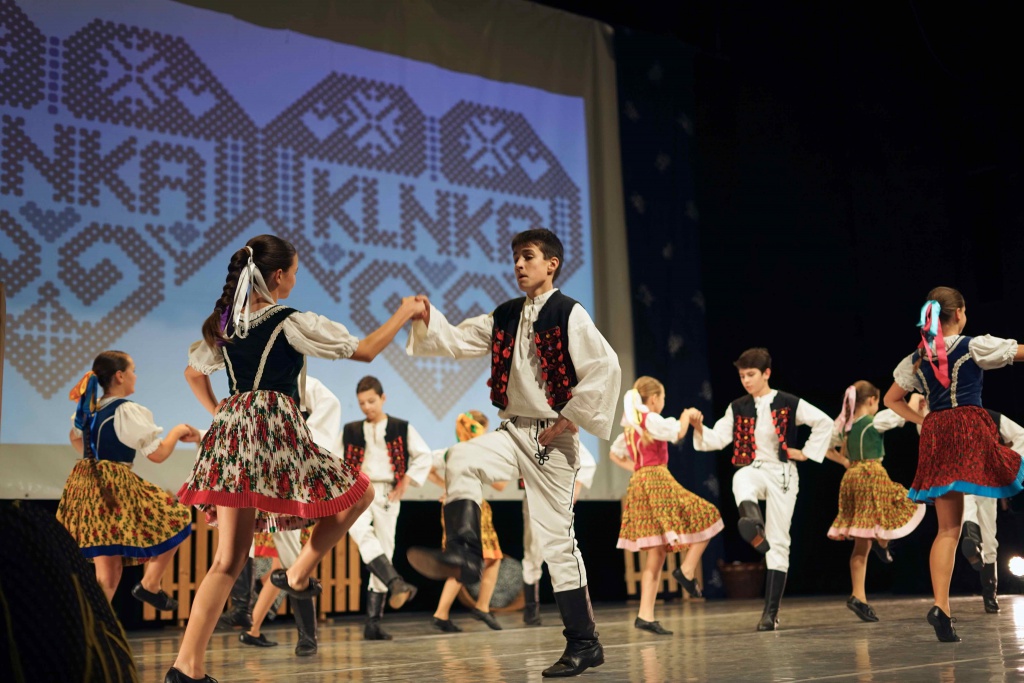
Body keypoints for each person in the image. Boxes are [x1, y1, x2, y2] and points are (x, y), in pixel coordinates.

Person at [167, 234, 424, 683]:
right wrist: (405, 312)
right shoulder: (288, 321)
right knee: (359, 494)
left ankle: (185, 668)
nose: (295, 280)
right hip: (273, 431)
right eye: (296, 273)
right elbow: (364, 350)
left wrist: (221, 411)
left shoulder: (227, 325)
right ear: (279, 275)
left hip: (234, 435)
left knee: (227, 559)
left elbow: (193, 372)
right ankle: (300, 572)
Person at [405, 228, 620, 678]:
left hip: (551, 438)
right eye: (515, 258)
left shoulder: (568, 312)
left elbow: (605, 367)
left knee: (556, 541)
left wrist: (569, 418)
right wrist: (428, 317)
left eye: (528, 256)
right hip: (512, 430)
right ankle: (464, 553)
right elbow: (457, 340)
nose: (519, 265)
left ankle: (585, 642)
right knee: (460, 458)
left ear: (551, 264)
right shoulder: (505, 314)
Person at [883, 286, 1024, 642]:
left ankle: (941, 608)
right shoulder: (972, 345)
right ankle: (996, 517)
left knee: (947, 529)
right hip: (967, 429)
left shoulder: (918, 356)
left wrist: (924, 420)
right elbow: (1016, 352)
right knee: (1005, 465)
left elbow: (891, 399)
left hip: (936, 434)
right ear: (959, 312)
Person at [688, 347, 833, 631]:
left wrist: (806, 452)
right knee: (741, 478)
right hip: (754, 468)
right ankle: (753, 525)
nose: (746, 380)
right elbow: (717, 438)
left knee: (779, 543)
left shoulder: (787, 402)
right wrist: (698, 427)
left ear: (766, 373)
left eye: (751, 374)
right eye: (742, 376)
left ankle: (770, 613)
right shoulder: (737, 406)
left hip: (782, 473)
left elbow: (823, 422)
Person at [57, 351, 200, 609]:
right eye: (133, 371)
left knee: (108, 571)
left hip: (86, 484)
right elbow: (157, 454)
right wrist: (177, 431)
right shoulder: (125, 410)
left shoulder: (92, 408)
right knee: (177, 517)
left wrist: (96, 457)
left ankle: (97, 623)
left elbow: (75, 437)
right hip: (110, 485)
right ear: (120, 376)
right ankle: (149, 585)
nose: (135, 376)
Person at [610, 377, 723, 636]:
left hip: (640, 484)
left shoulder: (630, 425)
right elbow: (678, 433)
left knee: (657, 552)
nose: (663, 402)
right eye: (662, 397)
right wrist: (686, 416)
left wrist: (637, 469)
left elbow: (613, 454)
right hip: (657, 480)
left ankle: (645, 615)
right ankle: (686, 570)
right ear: (653, 398)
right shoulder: (650, 419)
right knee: (708, 514)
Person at [826, 381, 926, 623]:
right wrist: (916, 398)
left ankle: (858, 594)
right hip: (871, 475)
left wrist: (845, 462)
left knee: (862, 538)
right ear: (871, 400)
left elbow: (826, 448)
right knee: (905, 502)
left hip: (851, 478)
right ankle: (882, 543)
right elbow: (901, 414)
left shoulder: (843, 426)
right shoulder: (875, 421)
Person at [342, 375, 432, 640]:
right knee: (361, 533)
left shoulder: (400, 427)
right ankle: (395, 582)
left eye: (371, 401)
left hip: (387, 493)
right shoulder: (350, 430)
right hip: (358, 491)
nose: (366, 407)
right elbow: (333, 459)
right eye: (361, 403)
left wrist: (406, 480)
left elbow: (424, 455)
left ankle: (373, 623)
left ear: (383, 398)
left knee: (385, 549)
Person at [430, 411, 508, 633]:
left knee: (472, 559)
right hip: (472, 508)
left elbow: (427, 467)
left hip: (454, 506)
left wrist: (447, 486)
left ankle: (446, 612)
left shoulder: (452, 451)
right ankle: (479, 607)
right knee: (470, 560)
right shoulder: (477, 453)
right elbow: (501, 485)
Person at [948, 408, 1022, 614]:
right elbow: (1020, 435)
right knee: (989, 534)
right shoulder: (990, 416)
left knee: (968, 511)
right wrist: (1006, 461)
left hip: (960, 476)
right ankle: (990, 597)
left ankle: (972, 538)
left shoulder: (948, 418)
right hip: (986, 476)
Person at [521, 440, 596, 627]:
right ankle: (531, 610)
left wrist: (574, 492)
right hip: (534, 495)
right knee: (533, 550)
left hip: (557, 498)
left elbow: (587, 462)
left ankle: (569, 610)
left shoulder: (561, 434)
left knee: (562, 551)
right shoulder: (524, 435)